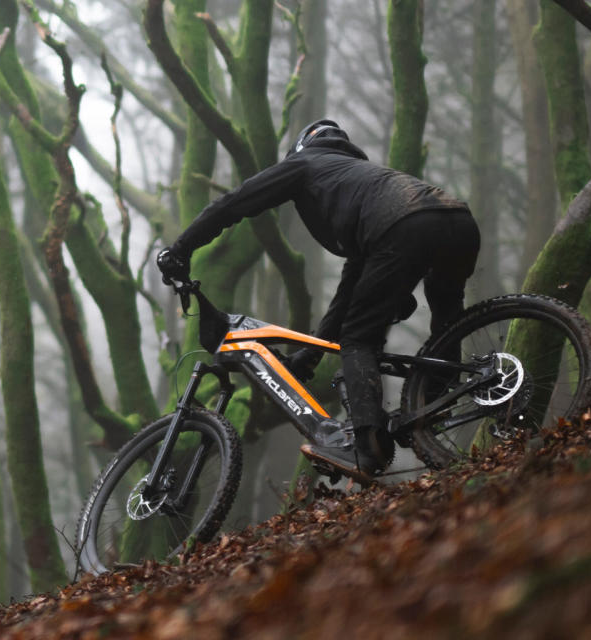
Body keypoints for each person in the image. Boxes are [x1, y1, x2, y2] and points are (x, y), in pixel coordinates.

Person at [157, 119, 480, 481]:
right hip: (458, 220)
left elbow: (236, 203)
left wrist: (182, 247)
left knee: (359, 339)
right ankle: (435, 403)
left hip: (403, 226)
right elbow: (345, 298)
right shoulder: (363, 182)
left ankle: (367, 445)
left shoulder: (305, 163)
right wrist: (309, 358)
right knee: (447, 315)